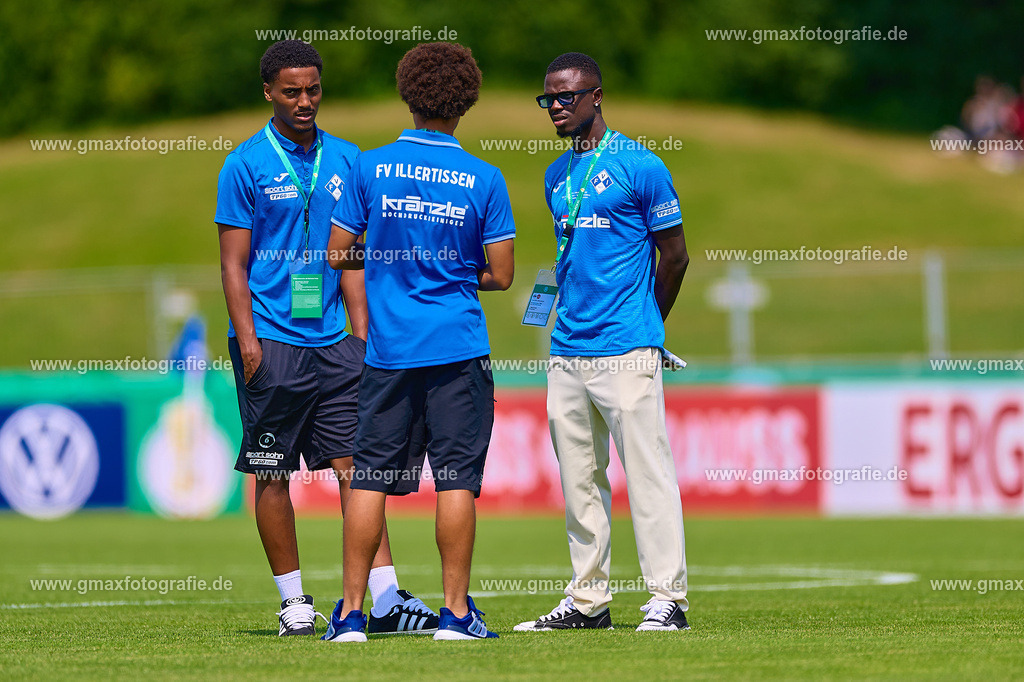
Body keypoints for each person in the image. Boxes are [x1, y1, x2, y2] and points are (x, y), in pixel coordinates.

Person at [215, 39, 436, 637]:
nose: (305, 100)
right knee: (271, 471)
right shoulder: (244, 165)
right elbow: (233, 265)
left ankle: (385, 599)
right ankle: (294, 603)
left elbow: (354, 258)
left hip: (337, 341)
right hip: (272, 341)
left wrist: (364, 336)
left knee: (358, 469)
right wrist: (251, 342)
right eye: (292, 91)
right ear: (269, 92)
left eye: (313, 89)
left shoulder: (350, 159)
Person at [321, 41, 515, 643]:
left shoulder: (368, 167)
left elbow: (336, 253)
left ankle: (352, 615)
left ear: (408, 95)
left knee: (370, 479)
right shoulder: (484, 177)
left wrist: (387, 263)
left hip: (388, 350)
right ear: (467, 102)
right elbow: (503, 274)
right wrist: (451, 268)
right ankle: (455, 616)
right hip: (456, 345)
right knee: (456, 480)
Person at [515, 52, 691, 632]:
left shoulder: (641, 165)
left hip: (625, 348)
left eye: (567, 97)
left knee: (648, 476)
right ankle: (588, 600)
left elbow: (676, 255)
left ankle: (669, 598)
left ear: (596, 96)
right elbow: (567, 257)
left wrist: (648, 325)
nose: (556, 108)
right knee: (579, 482)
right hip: (567, 348)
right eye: (548, 99)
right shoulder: (554, 175)